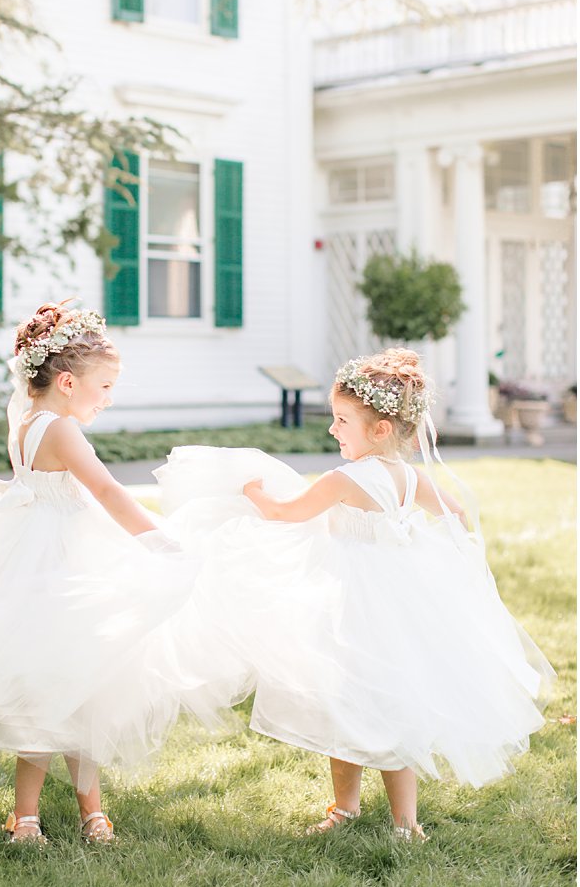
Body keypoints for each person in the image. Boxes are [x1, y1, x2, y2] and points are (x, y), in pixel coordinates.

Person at [0, 302, 248, 846]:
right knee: (78, 685)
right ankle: (78, 815)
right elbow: (106, 491)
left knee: (52, 688)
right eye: (104, 386)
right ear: (68, 381)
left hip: (32, 562)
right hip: (65, 567)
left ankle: (35, 817)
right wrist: (159, 542)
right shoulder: (62, 431)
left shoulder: (25, 420)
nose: (108, 398)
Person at [161, 348, 554, 842]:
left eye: (342, 420)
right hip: (396, 601)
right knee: (391, 706)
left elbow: (286, 514)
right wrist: (414, 543)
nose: (333, 429)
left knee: (343, 700)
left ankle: (348, 807)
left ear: (381, 429)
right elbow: (456, 515)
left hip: (350, 603)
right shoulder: (411, 477)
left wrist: (252, 491)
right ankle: (404, 824)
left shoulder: (344, 478)